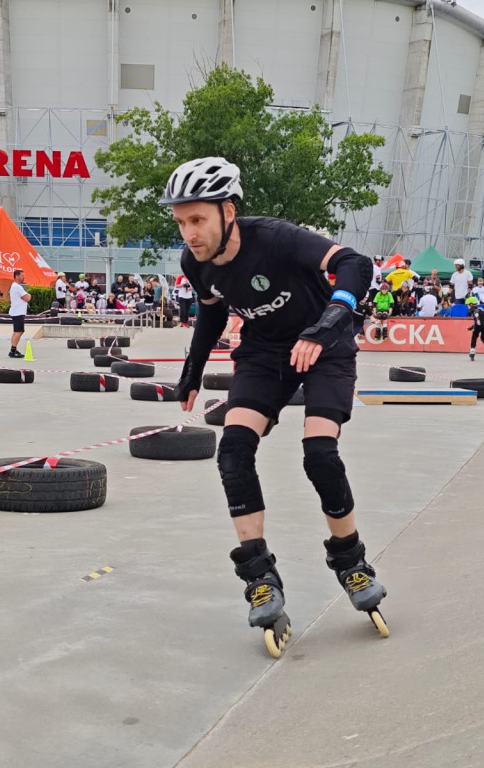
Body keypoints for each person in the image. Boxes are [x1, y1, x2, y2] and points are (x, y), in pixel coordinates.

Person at [162, 156, 387, 652]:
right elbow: (210, 317)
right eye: (180, 223)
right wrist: (192, 372)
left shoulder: (277, 238)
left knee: (319, 455)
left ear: (228, 210)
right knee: (233, 452)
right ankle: (259, 577)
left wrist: (328, 324)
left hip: (324, 347)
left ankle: (351, 562)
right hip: (265, 355)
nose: (189, 234)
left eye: (197, 219)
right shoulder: (194, 262)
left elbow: (355, 264)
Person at [464, 295, 484, 362]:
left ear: (471, 304)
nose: (468, 307)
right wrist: (472, 327)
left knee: (474, 336)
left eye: (468, 305)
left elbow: (477, 319)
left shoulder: (473, 310)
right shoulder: (481, 308)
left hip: (478, 323)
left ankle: (472, 351)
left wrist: (472, 328)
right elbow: (480, 318)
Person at [8, 269, 30, 358]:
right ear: (17, 276)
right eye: (21, 275)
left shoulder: (14, 286)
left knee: (16, 331)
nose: (23, 277)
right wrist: (29, 295)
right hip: (18, 312)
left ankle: (13, 349)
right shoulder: (17, 287)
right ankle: (13, 350)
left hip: (17, 311)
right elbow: (27, 298)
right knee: (19, 331)